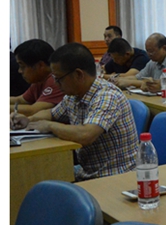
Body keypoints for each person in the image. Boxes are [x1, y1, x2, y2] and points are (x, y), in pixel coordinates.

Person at [10, 42, 138, 181]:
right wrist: (29, 120)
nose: (56, 84)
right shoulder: (74, 95)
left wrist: (49, 126)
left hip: (114, 176)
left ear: (78, 74)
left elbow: (86, 135)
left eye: (58, 79)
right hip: (87, 172)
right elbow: (51, 114)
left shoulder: (106, 96)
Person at [9, 39, 65, 118]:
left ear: (40, 65)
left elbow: (33, 111)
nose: (20, 71)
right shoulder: (39, 79)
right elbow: (20, 100)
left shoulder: (55, 80)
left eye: (22, 66)